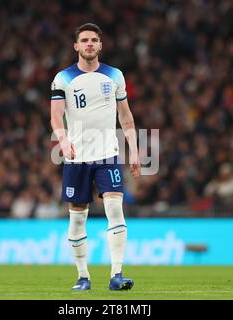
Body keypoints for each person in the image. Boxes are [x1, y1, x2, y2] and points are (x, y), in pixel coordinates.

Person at [50, 23, 140, 291]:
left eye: (94, 40)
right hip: (76, 158)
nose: (89, 44)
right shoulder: (62, 78)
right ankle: (83, 277)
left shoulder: (115, 75)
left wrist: (134, 149)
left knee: (114, 208)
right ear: (76, 46)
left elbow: (125, 116)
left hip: (107, 155)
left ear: (100, 45)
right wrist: (63, 140)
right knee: (77, 217)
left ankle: (117, 275)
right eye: (84, 40)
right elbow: (55, 116)